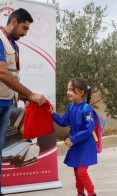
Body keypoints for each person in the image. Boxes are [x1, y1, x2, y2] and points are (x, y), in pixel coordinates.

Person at [0, 8, 46, 195]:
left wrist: (22, 96)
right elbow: (2, 72)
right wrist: (31, 93)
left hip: (6, 104)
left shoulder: (12, 44)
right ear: (14, 21)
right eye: (24, 28)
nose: (25, 34)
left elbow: (11, 77)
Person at [49, 78, 97, 196]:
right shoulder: (70, 108)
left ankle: (92, 193)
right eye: (68, 89)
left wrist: (73, 139)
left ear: (81, 92)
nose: (68, 92)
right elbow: (63, 122)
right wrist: (52, 114)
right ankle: (80, 193)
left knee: (82, 172)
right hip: (75, 144)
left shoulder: (87, 109)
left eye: (71, 90)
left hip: (86, 144)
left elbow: (89, 129)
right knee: (76, 171)